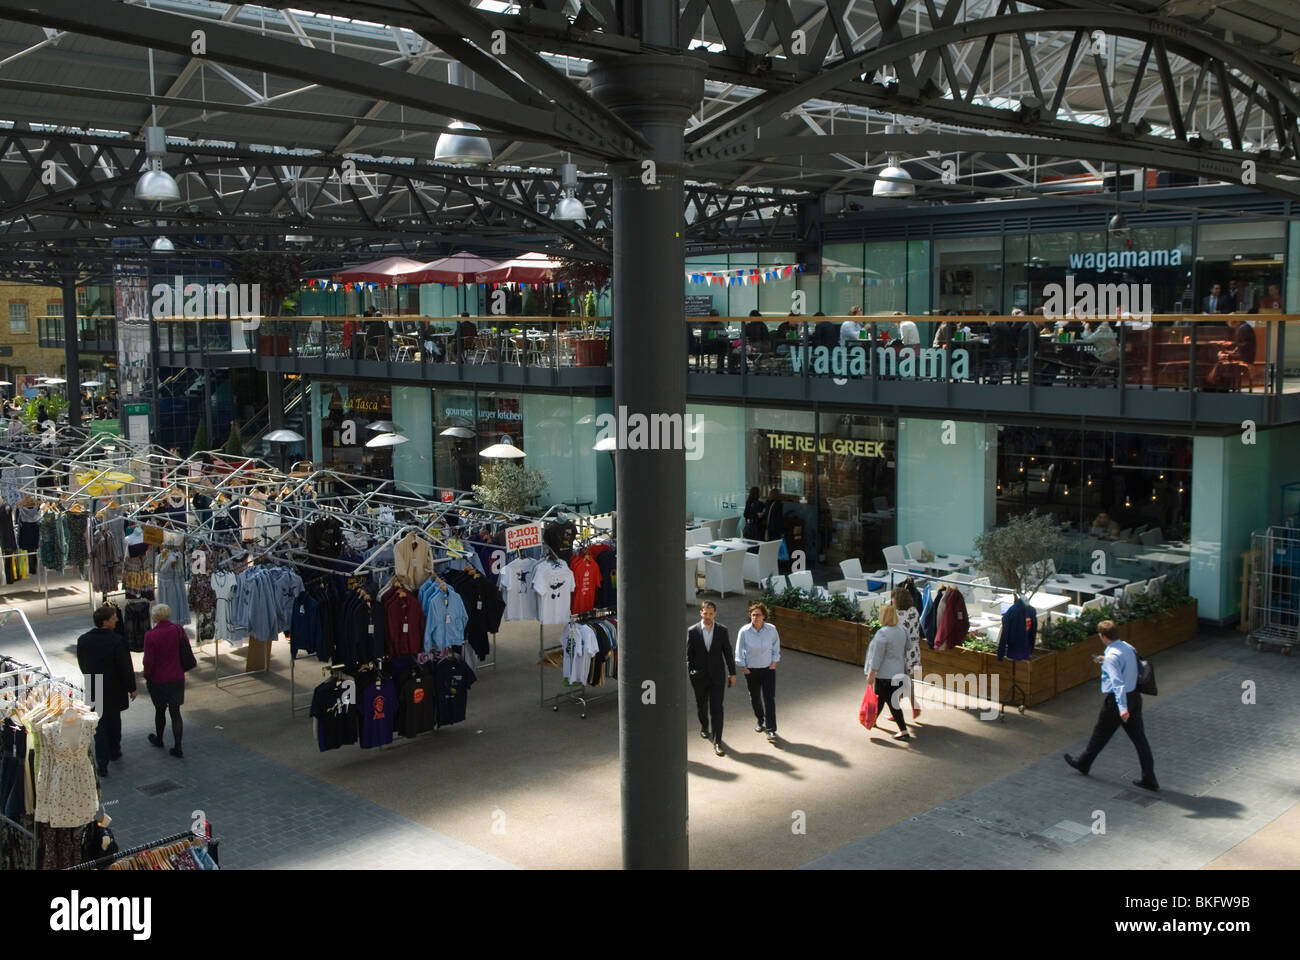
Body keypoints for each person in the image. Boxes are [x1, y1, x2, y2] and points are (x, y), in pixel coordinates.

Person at [1064, 620, 1158, 790]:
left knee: (1100, 734)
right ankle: (1149, 778)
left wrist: (1122, 708)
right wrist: (1104, 660)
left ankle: (1083, 763)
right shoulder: (1127, 647)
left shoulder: (1112, 657)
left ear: (1103, 636)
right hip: (1135, 698)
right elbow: (1129, 666)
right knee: (1140, 740)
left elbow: (1117, 683)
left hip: (1117, 701)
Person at [76, 605, 137, 777]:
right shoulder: (117, 640)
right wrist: (131, 687)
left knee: (99, 724)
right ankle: (114, 750)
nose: (117, 620)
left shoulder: (84, 640)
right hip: (114, 686)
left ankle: (102, 763)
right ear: (105, 621)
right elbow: (125, 666)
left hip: (95, 685)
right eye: (113, 618)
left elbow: (82, 664)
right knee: (114, 719)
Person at [687, 601, 736, 757]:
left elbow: (727, 652)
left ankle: (717, 741)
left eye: (711, 613)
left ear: (715, 614)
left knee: (717, 708)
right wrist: (691, 673)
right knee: (702, 705)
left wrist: (732, 673)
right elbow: (689, 655)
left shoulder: (722, 630)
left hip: (717, 676)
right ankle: (704, 726)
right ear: (701, 613)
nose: (708, 616)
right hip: (699, 677)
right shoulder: (693, 631)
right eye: (705, 613)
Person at [142, 603, 189, 758]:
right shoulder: (178, 630)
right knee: (175, 713)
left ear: (155, 617)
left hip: (158, 679)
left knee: (160, 710)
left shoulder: (150, 635)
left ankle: (160, 739)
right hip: (176, 677)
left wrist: (147, 675)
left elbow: (149, 660)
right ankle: (178, 746)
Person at [864, 603, 912, 740]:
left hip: (884, 674)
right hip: (898, 670)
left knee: (891, 702)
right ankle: (873, 720)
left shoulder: (883, 633)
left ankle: (903, 730)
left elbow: (876, 657)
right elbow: (908, 646)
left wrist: (871, 674)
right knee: (880, 697)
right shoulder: (902, 629)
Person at [735, 601, 780, 743]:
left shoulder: (772, 629)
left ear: (764, 616)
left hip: (768, 670)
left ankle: (771, 729)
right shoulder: (744, 631)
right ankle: (760, 719)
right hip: (751, 671)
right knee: (755, 698)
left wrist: (773, 663)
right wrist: (744, 667)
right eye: (753, 615)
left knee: (769, 699)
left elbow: (776, 646)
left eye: (758, 615)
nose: (755, 617)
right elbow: (738, 650)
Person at [891, 586, 923, 719]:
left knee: (897, 681)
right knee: (907, 679)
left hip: (902, 651)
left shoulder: (898, 615)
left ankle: (900, 710)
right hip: (914, 650)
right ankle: (910, 706)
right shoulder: (914, 611)